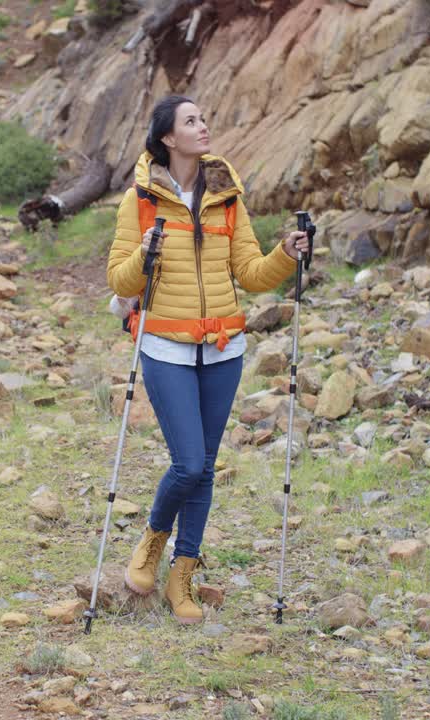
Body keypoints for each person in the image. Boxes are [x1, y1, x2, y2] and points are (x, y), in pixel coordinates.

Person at [106, 95, 311, 624]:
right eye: (191, 121)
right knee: (189, 462)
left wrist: (286, 252)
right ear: (168, 139)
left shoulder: (227, 198)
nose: (203, 127)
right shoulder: (141, 201)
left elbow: (250, 272)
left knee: (205, 472)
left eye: (203, 119)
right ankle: (153, 538)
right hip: (166, 347)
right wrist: (144, 252)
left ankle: (183, 578)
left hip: (223, 350)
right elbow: (119, 281)